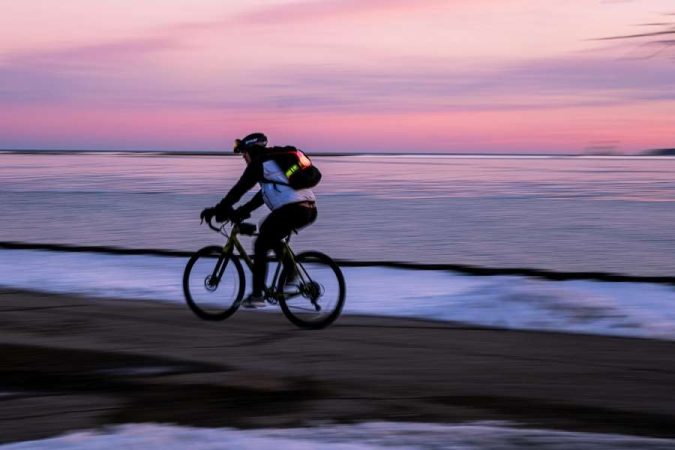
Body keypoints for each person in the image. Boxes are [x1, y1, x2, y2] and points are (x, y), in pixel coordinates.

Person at [200, 132, 318, 308]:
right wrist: (240, 212)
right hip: (307, 209)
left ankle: (258, 295)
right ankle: (290, 271)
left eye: (244, 153)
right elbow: (261, 197)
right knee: (268, 231)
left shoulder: (259, 164)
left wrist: (218, 209)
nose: (244, 158)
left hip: (293, 210)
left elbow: (238, 190)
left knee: (261, 243)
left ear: (251, 150)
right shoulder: (272, 167)